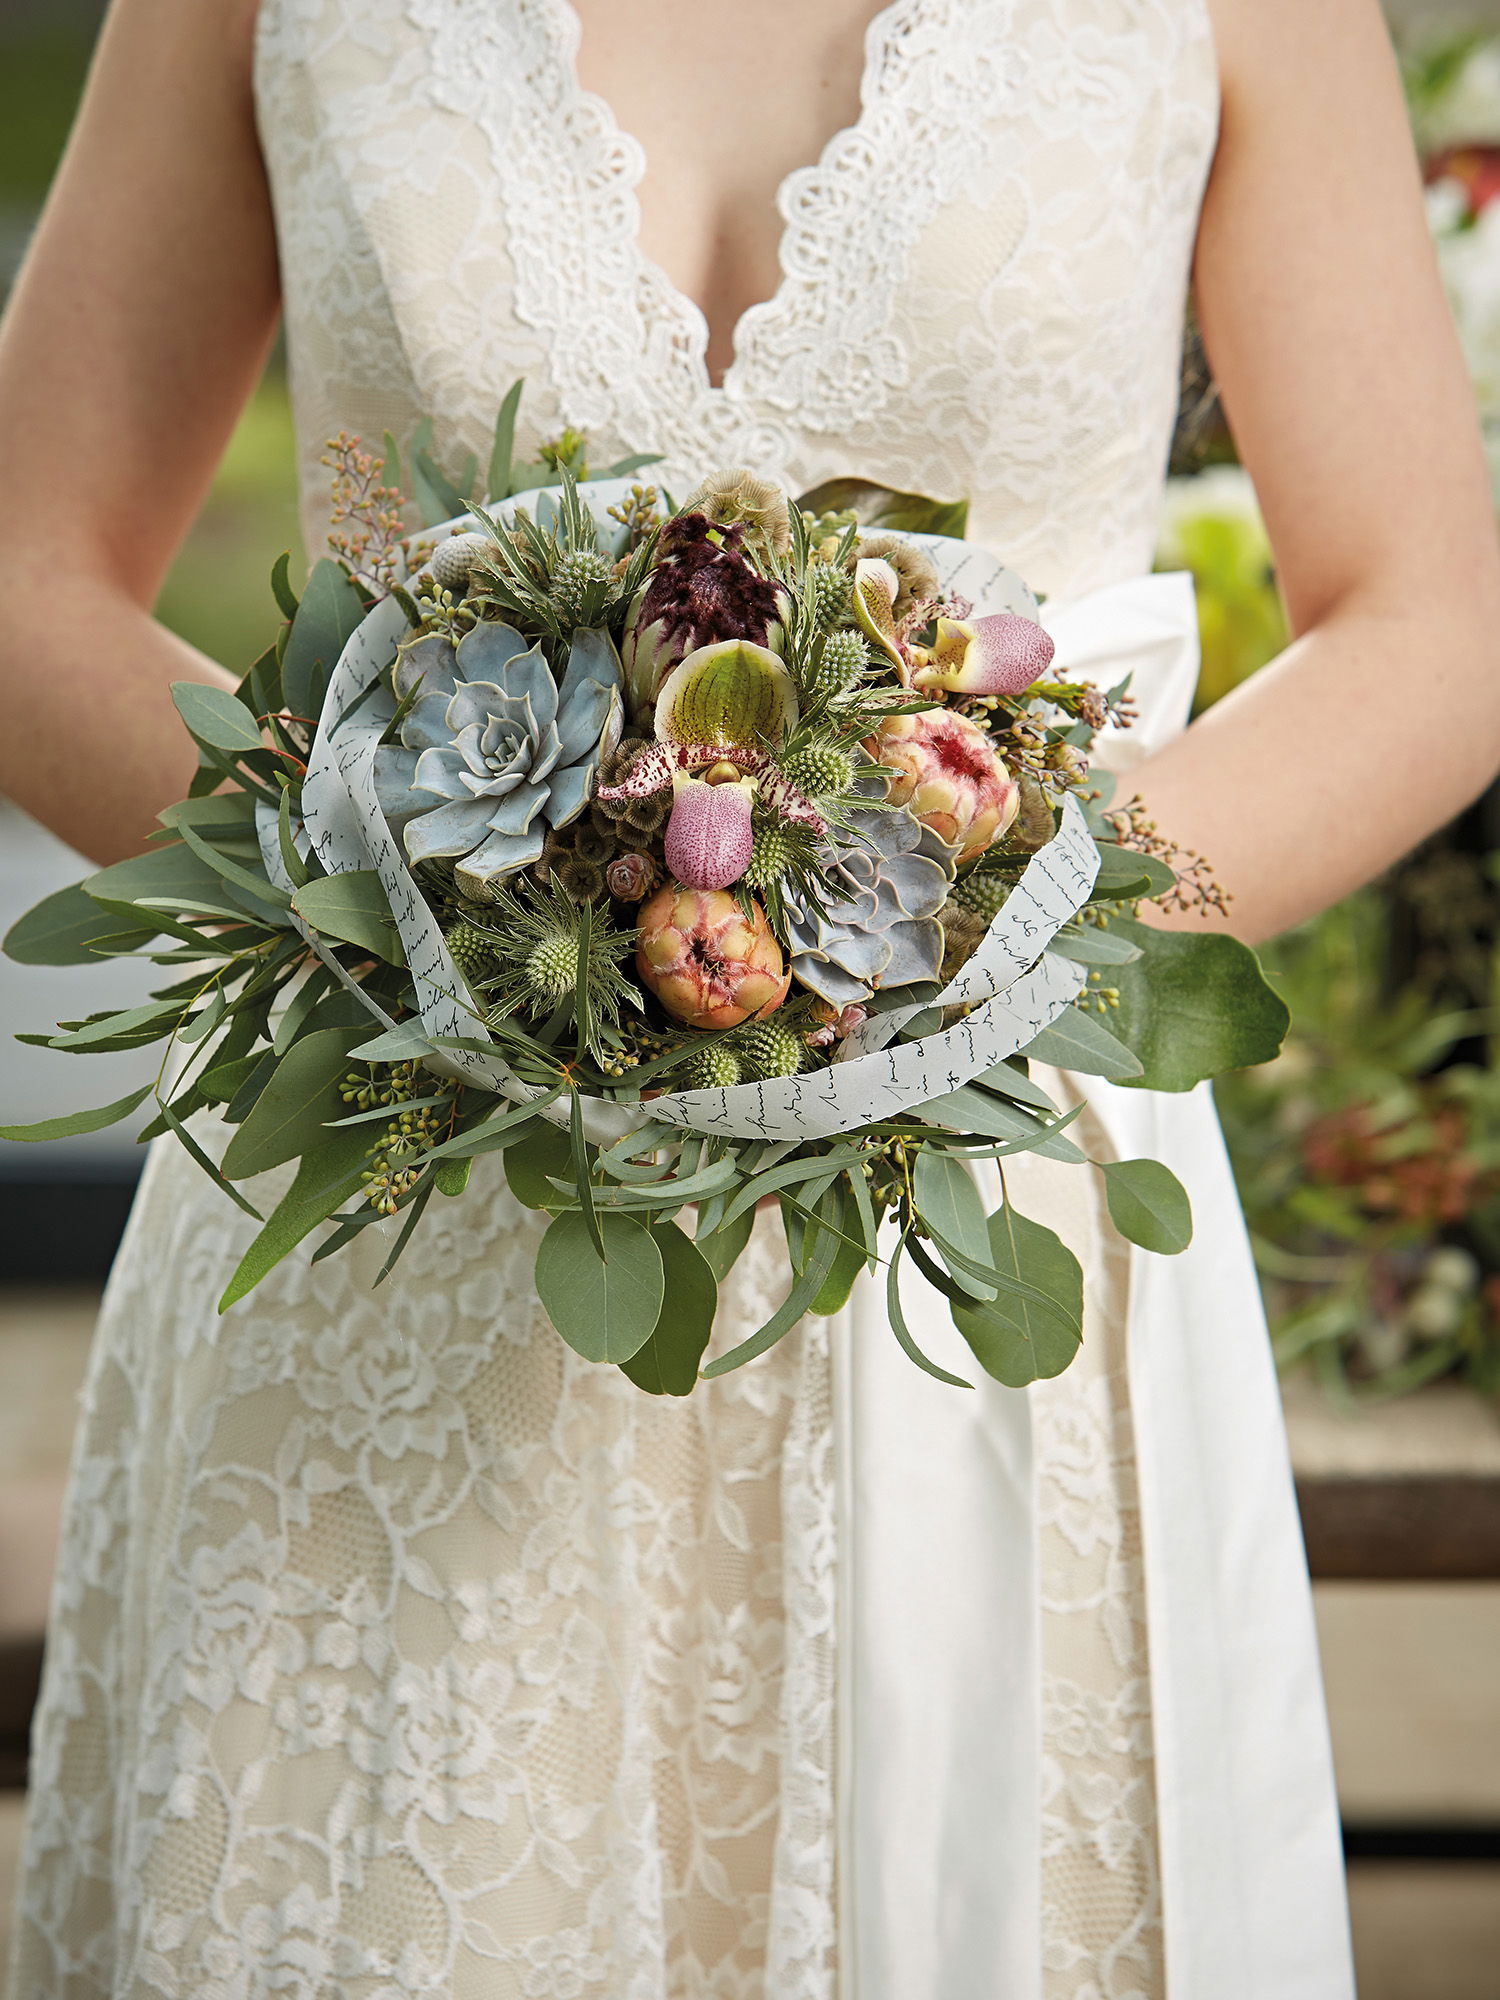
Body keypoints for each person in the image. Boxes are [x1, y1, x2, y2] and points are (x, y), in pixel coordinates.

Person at [3, 0, 1497, 1994]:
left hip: (982, 1241)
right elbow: (26, 571)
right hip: (396, 1232)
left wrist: (1012, 938)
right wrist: (376, 908)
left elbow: (1430, 618)